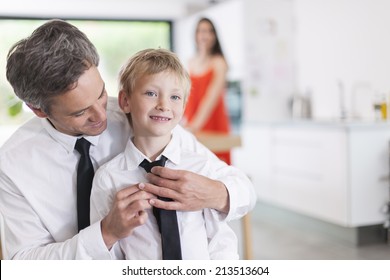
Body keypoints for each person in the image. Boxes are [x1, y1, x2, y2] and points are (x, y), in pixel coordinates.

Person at [0, 19, 256, 259]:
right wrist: (105, 234)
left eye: (101, 94)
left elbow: (239, 188)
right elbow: (25, 261)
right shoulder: (13, 165)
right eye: (80, 112)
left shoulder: (141, 117)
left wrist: (216, 193)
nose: (101, 116)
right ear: (39, 110)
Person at [90, 48, 239, 260]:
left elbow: (221, 241)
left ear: (184, 105)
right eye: (151, 93)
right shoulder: (108, 178)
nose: (164, 105)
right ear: (125, 101)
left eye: (175, 97)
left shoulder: (201, 168)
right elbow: (107, 254)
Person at [183, 17, 232, 164]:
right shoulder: (190, 62)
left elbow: (211, 98)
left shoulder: (219, 62)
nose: (206, 35)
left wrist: (194, 126)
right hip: (191, 122)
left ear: (215, 36)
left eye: (210, 31)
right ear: (196, 35)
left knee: (216, 165)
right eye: (202, 31)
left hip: (212, 123)